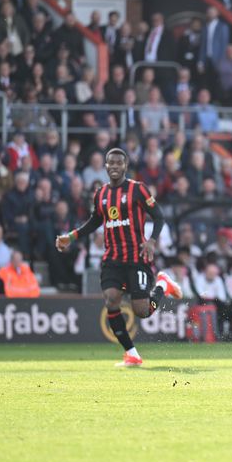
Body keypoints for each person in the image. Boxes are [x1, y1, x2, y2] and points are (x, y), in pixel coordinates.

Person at [56, 148, 183, 367]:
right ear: (105, 166)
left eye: (118, 163)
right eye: (110, 163)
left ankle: (163, 284)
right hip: (112, 259)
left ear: (125, 166)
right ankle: (131, 353)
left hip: (137, 258)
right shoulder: (101, 194)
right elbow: (95, 221)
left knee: (142, 311)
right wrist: (71, 236)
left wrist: (152, 240)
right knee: (110, 299)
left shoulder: (138, 189)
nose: (114, 167)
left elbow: (159, 216)